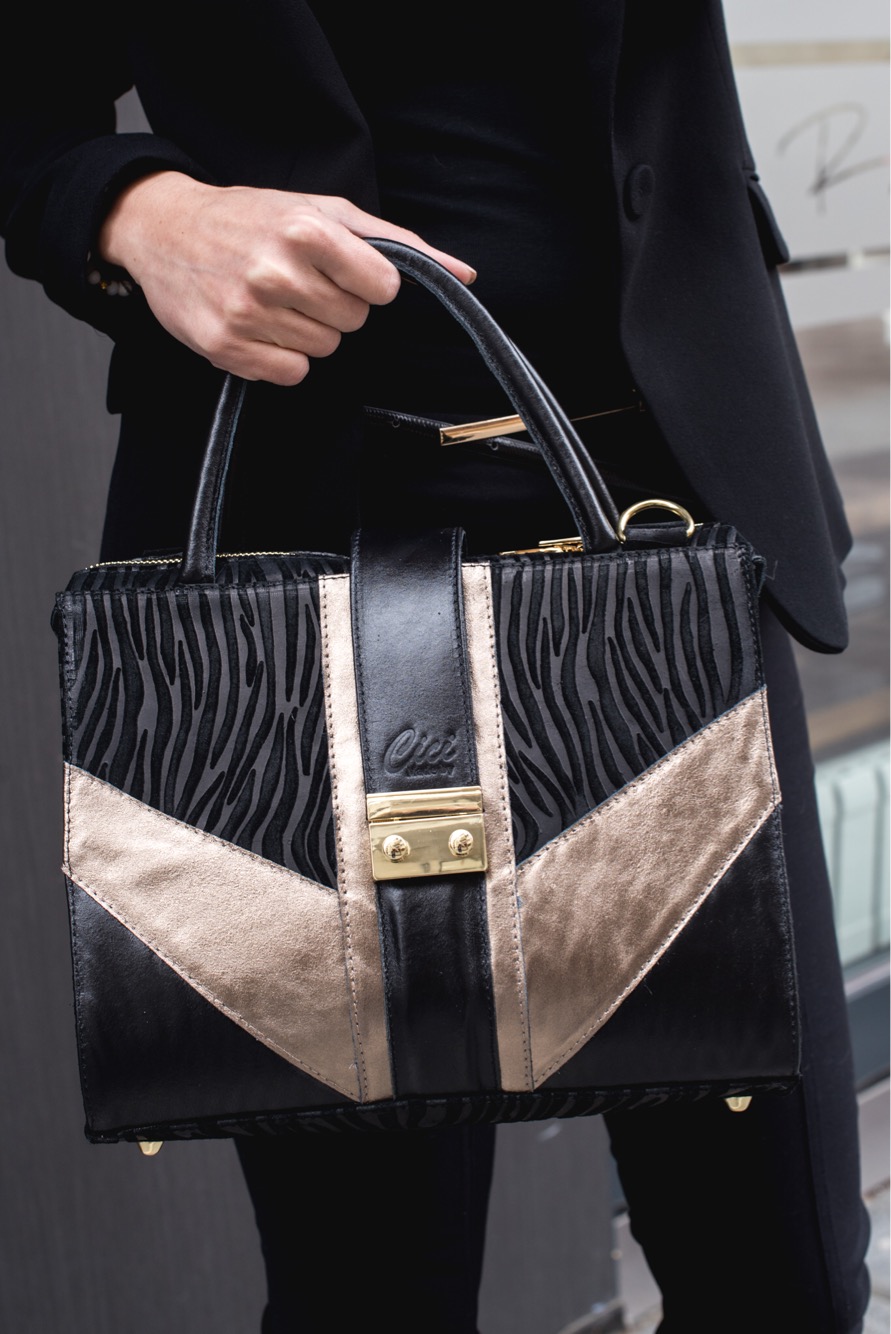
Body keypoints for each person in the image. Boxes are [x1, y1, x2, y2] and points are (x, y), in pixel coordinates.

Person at [0, 2, 872, 1330]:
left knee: (783, 1279)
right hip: (296, 561)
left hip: (660, 528)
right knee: (373, 1289)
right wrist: (143, 212)